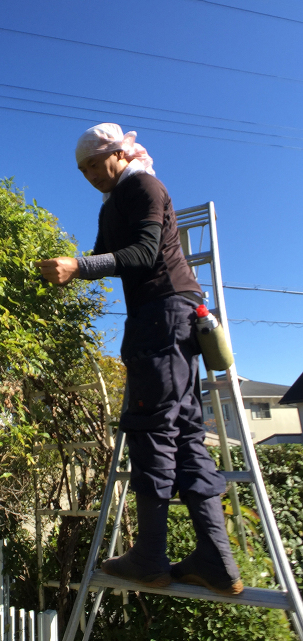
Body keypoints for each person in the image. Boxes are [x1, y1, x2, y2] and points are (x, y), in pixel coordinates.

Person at [35, 123, 242, 596]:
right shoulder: (115, 203)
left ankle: (150, 556)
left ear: (119, 154)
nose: (88, 174)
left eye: (93, 162)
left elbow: (146, 253)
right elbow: (104, 256)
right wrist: (70, 267)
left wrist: (80, 267)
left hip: (163, 315)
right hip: (168, 318)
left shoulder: (144, 185)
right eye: (81, 169)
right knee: (185, 430)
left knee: (153, 427)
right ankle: (215, 560)